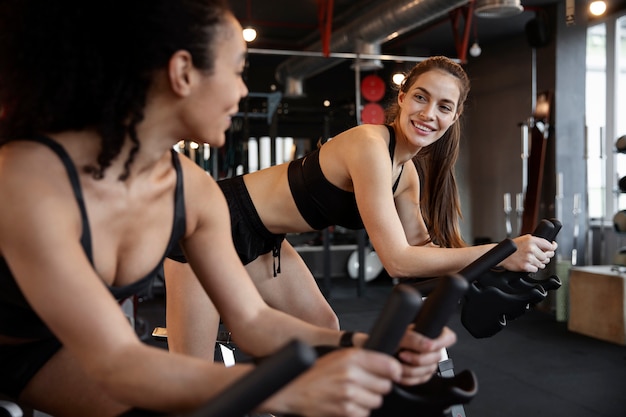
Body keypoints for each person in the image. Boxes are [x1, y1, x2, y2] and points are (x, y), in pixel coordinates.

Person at [0, 1, 457, 416]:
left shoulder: (194, 190)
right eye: (238, 70)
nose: (242, 92)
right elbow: (119, 361)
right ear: (183, 73)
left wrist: (362, 346)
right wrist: (286, 391)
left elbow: (253, 322)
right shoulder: (32, 177)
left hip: (48, 352)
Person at [163, 54, 558, 357]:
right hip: (209, 220)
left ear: (454, 117)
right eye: (420, 97)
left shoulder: (407, 175)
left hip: (266, 239)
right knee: (191, 380)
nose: (428, 114)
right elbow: (398, 261)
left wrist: (491, 270)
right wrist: (501, 253)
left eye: (443, 106)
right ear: (402, 99)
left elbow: (422, 251)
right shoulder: (369, 145)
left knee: (321, 327)